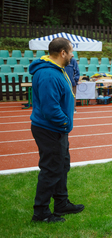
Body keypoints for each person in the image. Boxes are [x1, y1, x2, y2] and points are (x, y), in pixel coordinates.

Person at [29, 37, 84, 223]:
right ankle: (41, 213)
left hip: (56, 129)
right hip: (50, 129)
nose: (72, 54)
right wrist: (66, 123)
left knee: (61, 166)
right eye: (71, 51)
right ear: (62, 53)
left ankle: (61, 203)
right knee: (51, 169)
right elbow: (50, 108)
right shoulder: (49, 75)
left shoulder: (56, 70)